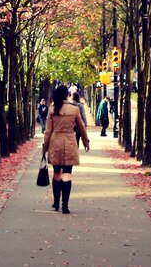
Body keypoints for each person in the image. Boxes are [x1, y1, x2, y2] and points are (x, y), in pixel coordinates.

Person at [43, 84, 90, 214]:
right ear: (66, 95)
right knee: (67, 174)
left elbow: (48, 131)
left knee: (57, 173)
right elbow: (81, 127)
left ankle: (56, 202)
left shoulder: (52, 109)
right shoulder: (74, 109)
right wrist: (86, 142)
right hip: (69, 142)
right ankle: (65, 205)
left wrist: (44, 147)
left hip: (55, 142)